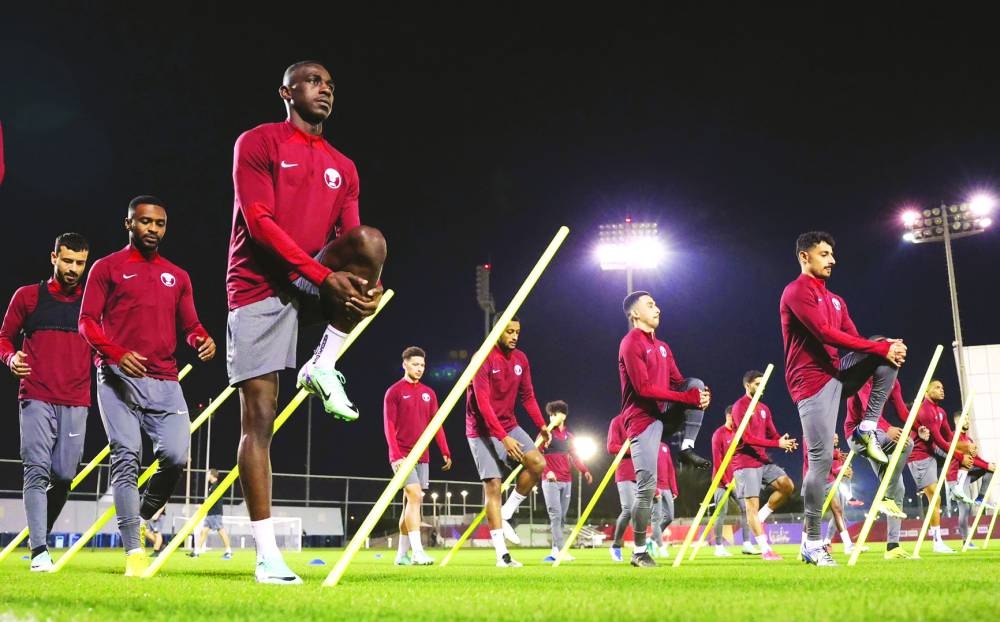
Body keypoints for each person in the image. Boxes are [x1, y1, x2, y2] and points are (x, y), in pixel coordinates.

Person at [226, 60, 387, 584]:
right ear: (286, 91)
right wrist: (323, 276)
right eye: (314, 82)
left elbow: (351, 237)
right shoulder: (260, 142)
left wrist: (366, 284)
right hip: (257, 284)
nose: (325, 91)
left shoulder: (345, 164)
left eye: (331, 86)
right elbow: (259, 223)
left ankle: (324, 363)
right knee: (261, 418)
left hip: (312, 278)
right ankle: (267, 552)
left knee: (371, 244)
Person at [80, 195, 215, 577]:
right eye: (145, 222)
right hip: (116, 376)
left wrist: (201, 339)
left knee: (175, 456)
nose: (153, 229)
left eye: (159, 224)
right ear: (129, 224)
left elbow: (191, 326)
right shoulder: (107, 268)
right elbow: (87, 322)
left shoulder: (179, 276)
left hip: (164, 379)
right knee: (126, 455)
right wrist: (116, 353)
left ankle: (139, 514)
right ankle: (133, 552)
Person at [780, 231, 907, 566]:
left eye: (832, 254)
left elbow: (852, 339)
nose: (832, 260)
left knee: (886, 351)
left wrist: (885, 347)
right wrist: (880, 347)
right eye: (824, 254)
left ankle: (866, 429)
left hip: (837, 374)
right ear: (804, 257)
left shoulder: (837, 300)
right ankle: (810, 541)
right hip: (810, 381)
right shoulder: (796, 291)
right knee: (820, 462)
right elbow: (823, 333)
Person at [0, 233, 91, 572]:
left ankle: (41, 532)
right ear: (53, 257)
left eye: (80, 263)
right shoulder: (27, 297)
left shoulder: (91, 303)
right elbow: (4, 338)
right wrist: (10, 359)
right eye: (67, 261)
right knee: (35, 471)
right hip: (36, 395)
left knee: (65, 474)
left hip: (77, 399)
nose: (73, 269)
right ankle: (39, 550)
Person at [619, 291, 712, 567]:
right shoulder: (630, 343)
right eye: (650, 305)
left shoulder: (663, 346)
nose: (657, 308)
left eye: (656, 303)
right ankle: (638, 551)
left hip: (664, 415)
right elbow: (643, 389)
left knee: (694, 383)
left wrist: (699, 398)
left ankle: (686, 448)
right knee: (647, 487)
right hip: (642, 418)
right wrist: (688, 400)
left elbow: (678, 382)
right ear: (635, 314)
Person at [465, 317, 550, 567]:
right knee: (493, 484)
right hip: (481, 429)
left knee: (537, 463)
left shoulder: (521, 359)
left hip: (509, 424)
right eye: (509, 331)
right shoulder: (482, 357)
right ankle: (502, 554)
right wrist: (503, 438)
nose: (514, 336)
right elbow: (482, 404)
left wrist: (541, 425)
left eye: (517, 332)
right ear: (497, 332)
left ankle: (507, 512)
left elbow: (528, 396)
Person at [384, 346, 451, 566]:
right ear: (404, 364)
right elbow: (389, 424)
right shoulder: (394, 391)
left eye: (422, 365)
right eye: (415, 364)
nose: (419, 368)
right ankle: (417, 552)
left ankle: (401, 555)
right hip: (402, 455)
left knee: (410, 504)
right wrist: (394, 454)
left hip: (423, 456)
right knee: (415, 496)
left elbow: (436, 424)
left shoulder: (429, 393)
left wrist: (444, 450)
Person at [845, 370, 915, 559]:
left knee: (897, 487)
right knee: (904, 443)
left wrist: (917, 427)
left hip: (878, 434)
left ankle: (892, 546)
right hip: (859, 434)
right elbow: (870, 412)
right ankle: (886, 496)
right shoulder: (862, 378)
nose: (898, 359)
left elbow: (902, 410)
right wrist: (888, 428)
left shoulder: (893, 381)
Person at [731, 370, 798, 561]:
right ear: (747, 385)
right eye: (757, 384)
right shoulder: (739, 407)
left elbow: (772, 433)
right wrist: (776, 444)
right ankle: (765, 549)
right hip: (745, 462)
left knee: (787, 486)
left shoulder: (764, 408)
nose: (761, 388)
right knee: (751, 506)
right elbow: (747, 438)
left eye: (763, 384)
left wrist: (782, 440)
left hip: (762, 461)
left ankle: (760, 517)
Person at [906, 380, 973, 554]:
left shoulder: (941, 411)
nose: (942, 390)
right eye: (937, 387)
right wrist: (960, 453)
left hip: (932, 452)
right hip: (919, 455)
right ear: (927, 390)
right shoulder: (925, 410)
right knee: (935, 497)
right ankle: (937, 542)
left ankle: (957, 487)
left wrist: (964, 447)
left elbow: (949, 436)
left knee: (964, 457)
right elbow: (939, 440)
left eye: (943, 387)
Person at [540, 400, 592, 563]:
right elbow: (536, 456)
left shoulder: (570, 437)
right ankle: (562, 551)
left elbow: (575, 457)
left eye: (554, 414)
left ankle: (554, 551)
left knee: (562, 517)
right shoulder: (545, 434)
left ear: (563, 416)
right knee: (555, 516)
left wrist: (585, 470)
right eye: (550, 415)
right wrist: (547, 471)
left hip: (567, 480)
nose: (551, 418)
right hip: (550, 482)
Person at [710, 406, 757, 556]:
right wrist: (726, 481)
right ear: (728, 416)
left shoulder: (738, 434)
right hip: (721, 483)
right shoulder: (718, 434)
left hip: (738, 481)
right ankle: (718, 547)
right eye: (733, 417)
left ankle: (747, 544)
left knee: (746, 509)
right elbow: (717, 461)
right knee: (721, 513)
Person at [945, 411, 995, 547]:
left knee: (989, 470)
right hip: (956, 476)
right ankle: (966, 540)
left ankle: (980, 497)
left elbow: (975, 460)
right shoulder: (953, 437)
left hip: (967, 472)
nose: (967, 421)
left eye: (968, 419)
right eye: (964, 419)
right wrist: (986, 465)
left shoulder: (969, 440)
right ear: (956, 422)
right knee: (965, 508)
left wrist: (988, 465)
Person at [820, 434, 856, 553]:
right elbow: (831, 471)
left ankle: (829, 542)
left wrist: (849, 471)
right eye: (834, 438)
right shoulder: (827, 452)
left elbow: (841, 468)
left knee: (839, 513)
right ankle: (828, 542)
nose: (836, 439)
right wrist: (842, 471)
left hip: (839, 486)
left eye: (837, 438)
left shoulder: (837, 453)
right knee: (838, 513)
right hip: (829, 486)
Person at [607, 413, 636, 563]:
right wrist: (634, 449)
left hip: (642, 472)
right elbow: (611, 446)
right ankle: (616, 546)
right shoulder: (617, 421)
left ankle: (639, 549)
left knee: (642, 511)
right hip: (625, 472)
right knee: (629, 509)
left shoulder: (642, 421)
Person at [189, 469, 234, 559]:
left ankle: (228, 552)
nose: (207, 476)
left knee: (221, 532)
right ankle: (196, 552)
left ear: (212, 475)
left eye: (208, 474)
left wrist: (201, 506)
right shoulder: (212, 486)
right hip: (210, 514)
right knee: (203, 532)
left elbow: (212, 501)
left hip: (215, 513)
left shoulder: (216, 486)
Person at [649, 442, 678, 558]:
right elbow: (647, 470)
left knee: (670, 517)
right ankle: (660, 547)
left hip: (667, 488)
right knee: (656, 519)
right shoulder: (648, 445)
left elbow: (670, 468)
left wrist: (674, 488)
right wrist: (653, 488)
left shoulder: (665, 446)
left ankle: (650, 540)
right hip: (655, 487)